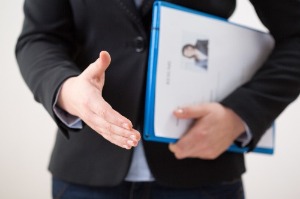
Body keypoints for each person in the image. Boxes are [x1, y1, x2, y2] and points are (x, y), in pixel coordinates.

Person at [15, 0, 300, 198]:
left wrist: (240, 114)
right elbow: (39, 36)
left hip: (203, 175)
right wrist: (66, 90)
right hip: (86, 173)